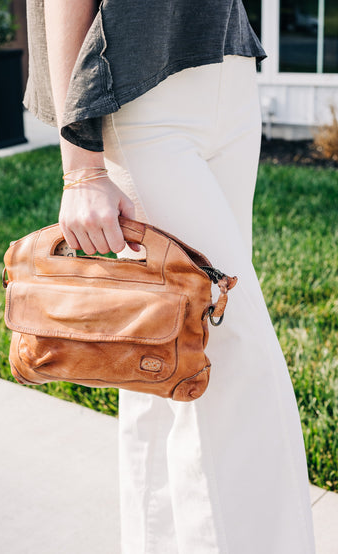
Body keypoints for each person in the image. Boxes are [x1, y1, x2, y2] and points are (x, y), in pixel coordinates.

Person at [23, 1, 317, 552]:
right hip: (139, 90)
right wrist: (81, 170)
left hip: (225, 66)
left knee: (162, 350)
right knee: (231, 353)